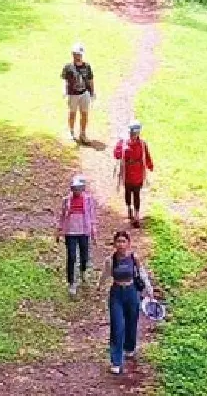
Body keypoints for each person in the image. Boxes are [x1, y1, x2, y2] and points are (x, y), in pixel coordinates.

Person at [105, 230, 149, 375]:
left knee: (131, 322)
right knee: (117, 326)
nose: (121, 244)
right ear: (114, 244)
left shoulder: (133, 258)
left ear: (128, 243)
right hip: (116, 292)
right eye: (118, 241)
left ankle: (129, 347)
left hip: (131, 292)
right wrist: (99, 287)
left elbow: (142, 272)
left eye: (124, 241)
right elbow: (105, 274)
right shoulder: (111, 260)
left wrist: (149, 289)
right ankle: (116, 361)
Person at [59, 175, 98, 295]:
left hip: (83, 231)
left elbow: (91, 216)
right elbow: (62, 216)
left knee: (84, 255)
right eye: (74, 188)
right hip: (70, 232)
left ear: (83, 189)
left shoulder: (88, 200)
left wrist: (93, 232)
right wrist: (59, 230)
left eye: (79, 188)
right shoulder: (66, 200)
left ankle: (83, 272)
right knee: (71, 256)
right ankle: (71, 282)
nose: (76, 191)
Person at [112, 121, 155, 227]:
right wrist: (119, 152)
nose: (134, 135)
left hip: (138, 174)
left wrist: (150, 166)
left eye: (136, 133)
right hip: (127, 173)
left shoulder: (142, 144)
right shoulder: (123, 142)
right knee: (127, 192)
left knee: (136, 194)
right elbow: (117, 154)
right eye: (132, 133)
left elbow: (146, 155)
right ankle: (129, 208)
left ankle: (136, 215)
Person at [61, 43, 96, 144]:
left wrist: (92, 93)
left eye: (79, 55)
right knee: (72, 113)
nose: (77, 57)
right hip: (73, 94)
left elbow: (90, 80)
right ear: (73, 55)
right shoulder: (68, 67)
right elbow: (64, 80)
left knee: (84, 114)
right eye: (75, 54)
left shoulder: (87, 66)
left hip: (84, 93)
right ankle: (71, 132)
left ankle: (83, 134)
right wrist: (64, 90)